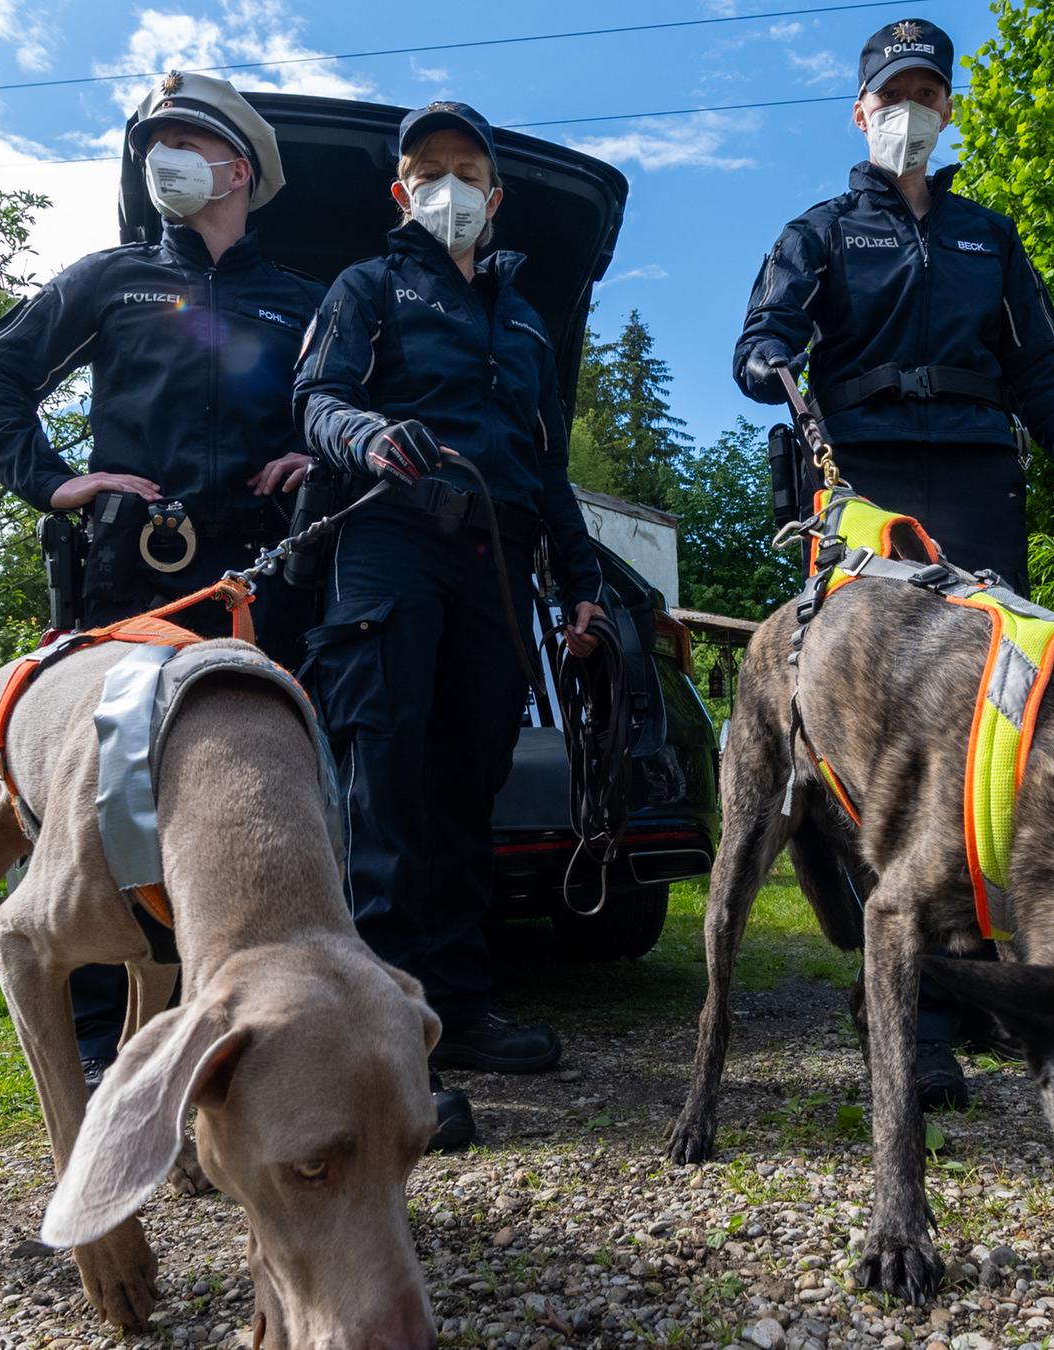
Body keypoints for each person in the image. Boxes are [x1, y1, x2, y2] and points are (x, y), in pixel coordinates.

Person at [732, 18, 1054, 1110]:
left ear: (948, 107)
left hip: (978, 489)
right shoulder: (819, 230)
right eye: (892, 93)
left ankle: (970, 987)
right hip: (864, 494)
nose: (912, 109)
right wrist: (771, 356)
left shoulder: (989, 239)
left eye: (930, 90)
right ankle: (902, 1012)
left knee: (982, 747)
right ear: (861, 112)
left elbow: (1045, 383)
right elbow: (757, 340)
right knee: (888, 751)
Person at [0, 71, 324, 1085]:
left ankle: (265, 1011)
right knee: (110, 798)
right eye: (149, 139)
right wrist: (56, 482)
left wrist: (318, 459)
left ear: (238, 166)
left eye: (181, 138)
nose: (156, 154)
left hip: (263, 580)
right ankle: (91, 1033)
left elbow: (345, 406)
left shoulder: (302, 302)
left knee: (268, 787)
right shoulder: (110, 280)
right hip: (136, 576)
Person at [295, 101, 607, 1151]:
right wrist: (368, 433)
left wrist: (582, 586)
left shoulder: (525, 322)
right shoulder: (365, 288)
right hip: (389, 544)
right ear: (402, 192)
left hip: (497, 561)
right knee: (384, 786)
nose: (451, 188)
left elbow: (546, 466)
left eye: (468, 170)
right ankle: (375, 1044)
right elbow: (317, 400)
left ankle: (459, 1010)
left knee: (466, 783)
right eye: (430, 171)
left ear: (496, 191)